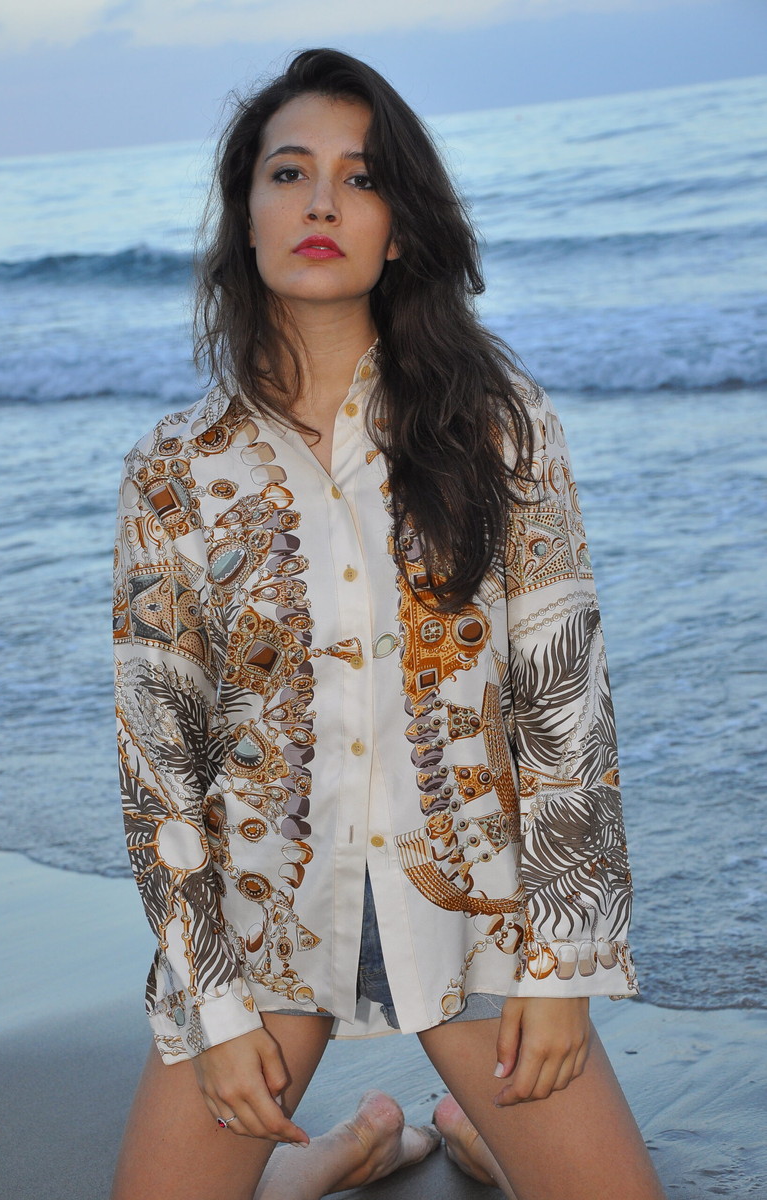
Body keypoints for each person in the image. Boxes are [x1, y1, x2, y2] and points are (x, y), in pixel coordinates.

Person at [110, 48, 667, 1200]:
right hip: (262, 936)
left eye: (359, 179)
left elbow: (562, 702)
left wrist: (561, 966)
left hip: (481, 927)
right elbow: (159, 765)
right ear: (245, 215)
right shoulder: (173, 469)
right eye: (288, 173)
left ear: (399, 227)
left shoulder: (499, 427)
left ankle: (469, 1137)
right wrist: (209, 1008)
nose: (320, 202)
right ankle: (343, 1154)